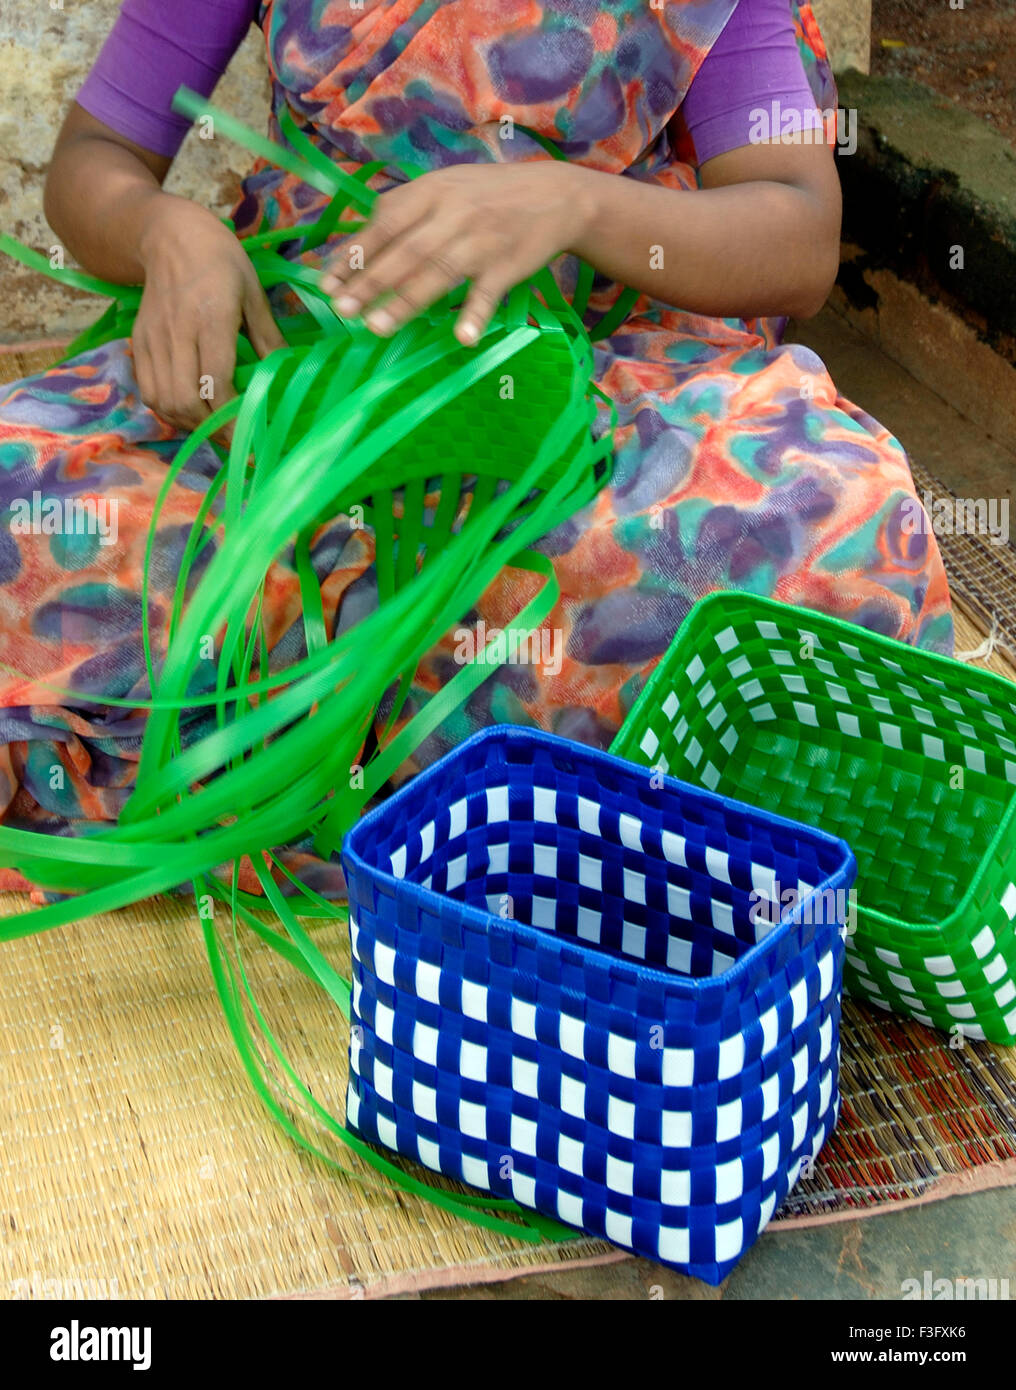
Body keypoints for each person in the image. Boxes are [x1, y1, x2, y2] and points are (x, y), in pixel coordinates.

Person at [0, 0, 951, 898]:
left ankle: (323, 767)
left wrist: (572, 208)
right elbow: (96, 159)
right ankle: (540, 803)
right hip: (311, 365)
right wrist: (167, 234)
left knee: (840, 530)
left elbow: (797, 224)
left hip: (612, 380)